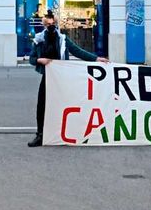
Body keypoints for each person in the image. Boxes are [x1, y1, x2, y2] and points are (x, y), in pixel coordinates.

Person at [27, 10, 109, 147]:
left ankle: (66, 132)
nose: (50, 27)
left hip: (62, 77)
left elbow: (77, 51)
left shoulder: (63, 39)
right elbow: (31, 59)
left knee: (64, 105)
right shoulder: (39, 39)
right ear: (44, 25)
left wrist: (96, 59)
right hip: (48, 76)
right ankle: (40, 134)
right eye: (48, 24)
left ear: (57, 24)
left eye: (53, 24)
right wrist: (41, 60)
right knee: (42, 106)